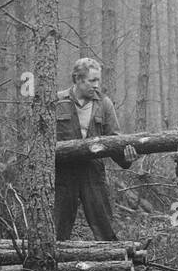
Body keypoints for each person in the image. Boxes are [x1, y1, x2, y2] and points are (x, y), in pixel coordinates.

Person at [54, 57, 135, 240]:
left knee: (105, 228)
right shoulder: (57, 102)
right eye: (92, 80)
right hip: (64, 175)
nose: (97, 85)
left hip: (93, 173)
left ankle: (115, 265)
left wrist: (126, 159)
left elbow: (114, 140)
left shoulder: (104, 105)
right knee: (57, 229)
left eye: (98, 80)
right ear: (77, 79)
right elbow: (44, 142)